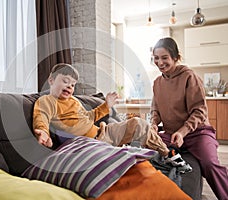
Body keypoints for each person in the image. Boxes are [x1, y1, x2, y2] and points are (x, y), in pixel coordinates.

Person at [33, 63, 169, 156]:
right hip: (90, 144)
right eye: (65, 81)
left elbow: (89, 116)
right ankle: (131, 152)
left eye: (73, 84)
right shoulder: (47, 101)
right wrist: (44, 132)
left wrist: (106, 105)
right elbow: (42, 117)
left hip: (104, 132)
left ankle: (167, 154)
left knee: (138, 123)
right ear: (51, 80)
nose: (70, 87)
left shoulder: (74, 100)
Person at [150, 37, 228, 200]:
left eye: (165, 58)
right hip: (171, 134)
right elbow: (155, 109)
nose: (160, 62)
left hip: (196, 133)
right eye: (156, 58)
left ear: (176, 58)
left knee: (209, 164)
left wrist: (182, 132)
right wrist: (153, 124)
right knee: (148, 151)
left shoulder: (189, 77)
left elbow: (200, 111)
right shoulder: (157, 82)